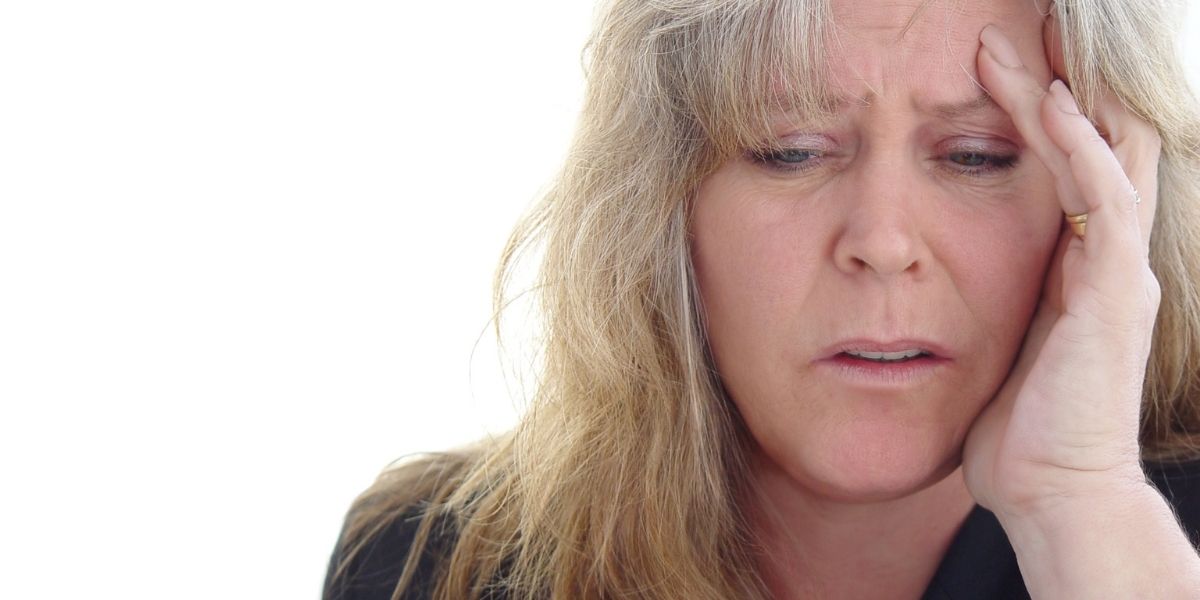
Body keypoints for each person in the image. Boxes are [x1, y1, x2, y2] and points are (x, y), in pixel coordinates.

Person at [324, 0, 1200, 597]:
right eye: (791, 151)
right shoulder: (431, 567)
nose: (884, 241)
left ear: (1105, 195)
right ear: (663, 200)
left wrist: (1080, 506)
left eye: (975, 154)